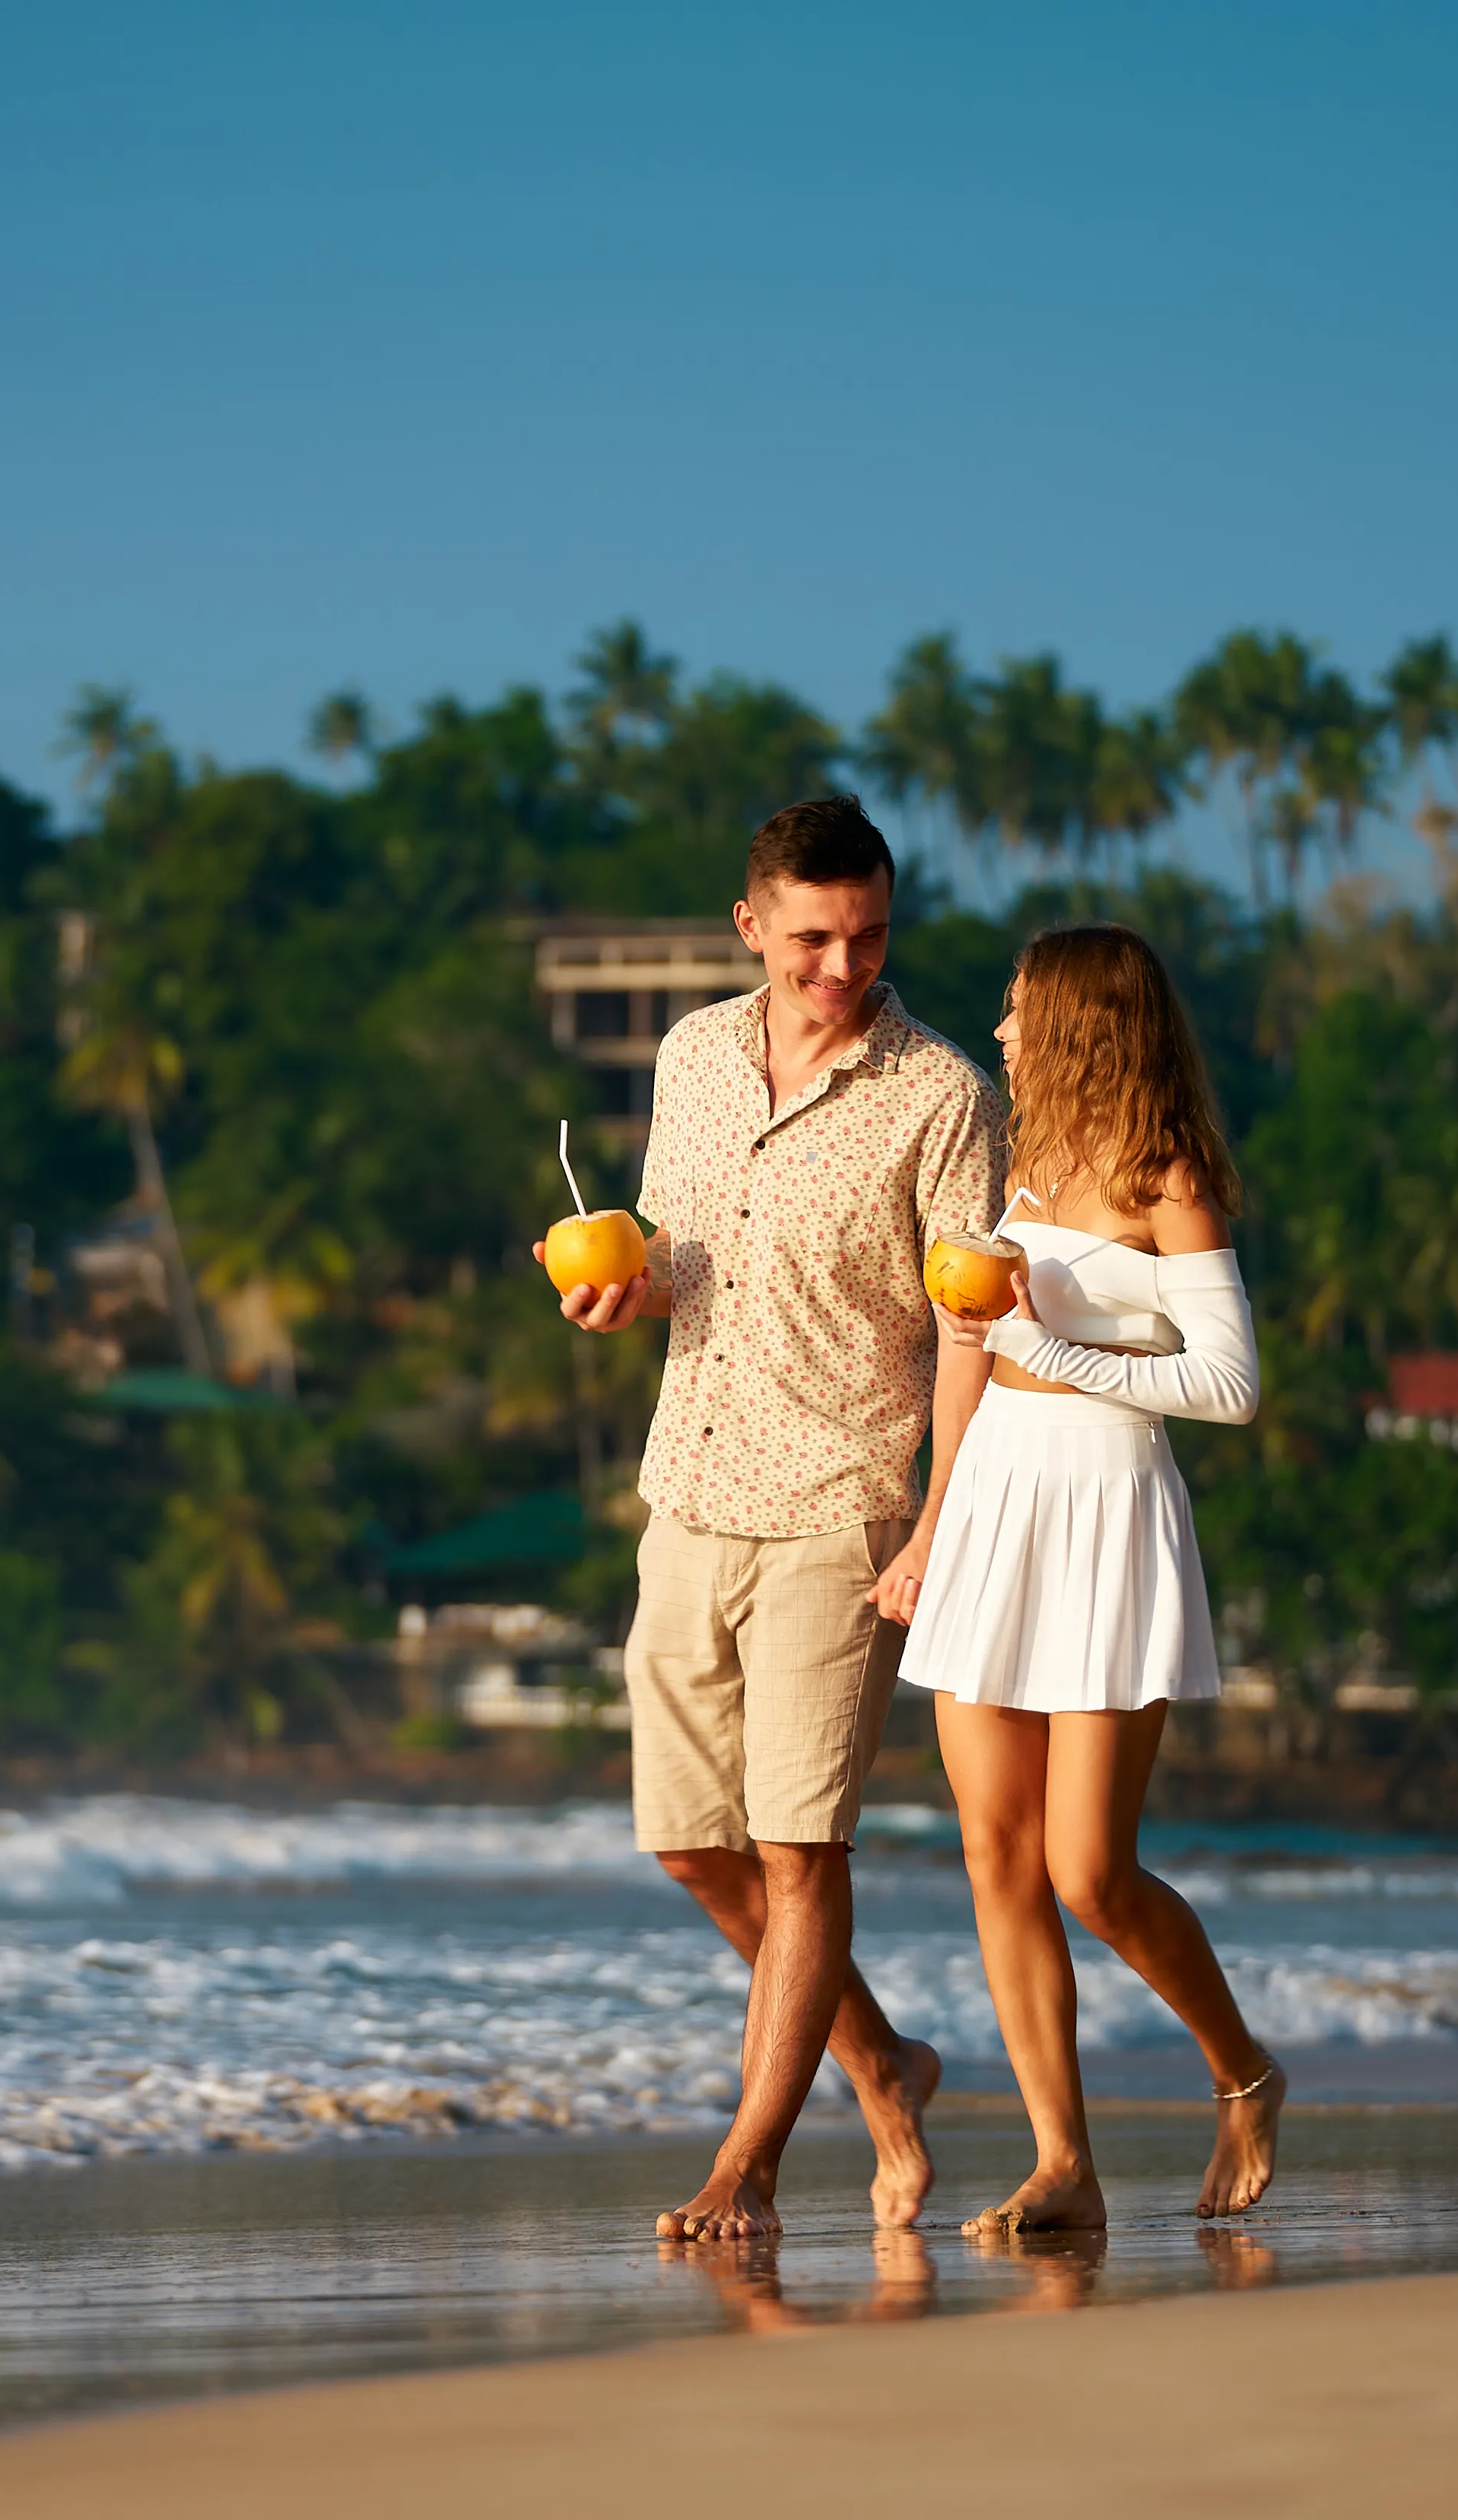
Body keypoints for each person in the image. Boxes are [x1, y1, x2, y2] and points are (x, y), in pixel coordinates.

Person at [541, 793, 1003, 2242]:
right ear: (752, 925)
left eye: (868, 936)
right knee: (694, 1847)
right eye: (812, 939)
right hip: (688, 1492)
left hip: (842, 1511)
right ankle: (885, 2066)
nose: (842, 967)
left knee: (803, 1851)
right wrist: (621, 1289)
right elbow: (680, 1256)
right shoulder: (690, 1055)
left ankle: (745, 2165)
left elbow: (972, 1328)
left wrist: (935, 1524)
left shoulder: (944, 1095)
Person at [895, 922, 1284, 2230]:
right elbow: (972, 1356)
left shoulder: (1169, 1176)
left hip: (1109, 1504)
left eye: (1018, 1010)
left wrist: (1052, 1349)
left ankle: (1245, 2074)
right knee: (993, 1854)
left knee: (1089, 1873)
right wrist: (934, 1524)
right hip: (995, 1501)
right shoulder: (1022, 1163)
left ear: (1079, 1024)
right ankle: (1063, 2161)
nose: (1001, 1032)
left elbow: (1229, 1385)